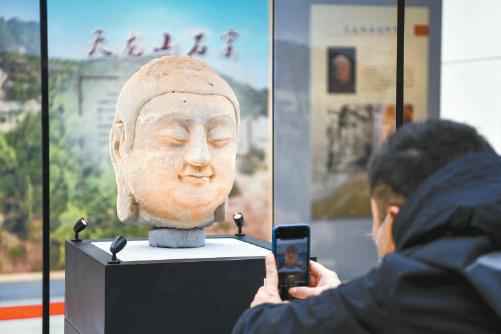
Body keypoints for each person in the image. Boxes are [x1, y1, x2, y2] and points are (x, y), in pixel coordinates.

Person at [233, 120, 501, 333]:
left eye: (376, 225)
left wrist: (264, 310)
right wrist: (342, 297)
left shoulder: (412, 287)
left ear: (393, 219)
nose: (374, 236)